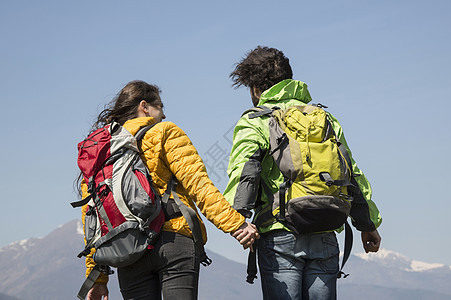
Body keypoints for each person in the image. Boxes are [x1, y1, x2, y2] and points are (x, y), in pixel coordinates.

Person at [223, 46, 382, 300]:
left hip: (279, 234)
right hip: (326, 230)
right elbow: (351, 174)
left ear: (255, 88)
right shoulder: (325, 118)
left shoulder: (255, 120)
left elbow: (245, 173)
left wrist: (238, 219)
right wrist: (367, 224)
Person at [78, 80, 258, 300]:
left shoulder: (101, 153)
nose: (163, 115)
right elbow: (199, 185)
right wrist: (236, 225)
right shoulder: (164, 132)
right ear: (144, 106)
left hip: (128, 250)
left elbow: (94, 219)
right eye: (160, 107)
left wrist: (97, 277)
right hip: (173, 240)